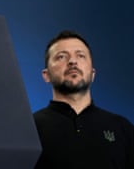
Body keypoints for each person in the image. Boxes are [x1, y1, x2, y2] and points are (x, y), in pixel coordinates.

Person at [33, 30, 134, 168]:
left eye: (80, 56)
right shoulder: (30, 129)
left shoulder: (123, 129)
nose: (72, 61)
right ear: (46, 75)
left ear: (92, 74)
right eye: (61, 57)